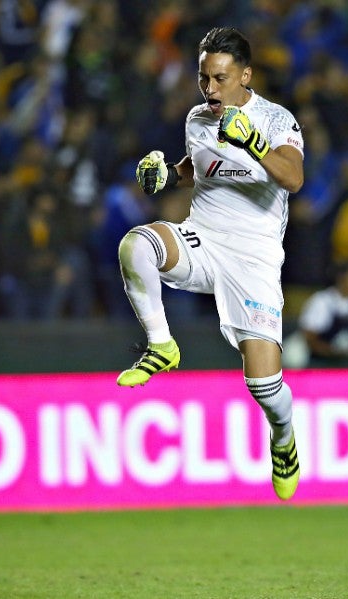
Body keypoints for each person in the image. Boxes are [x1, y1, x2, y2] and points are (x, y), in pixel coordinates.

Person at [116, 27, 305, 501]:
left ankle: (283, 439)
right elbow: (199, 168)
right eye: (204, 79)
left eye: (220, 79)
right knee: (135, 244)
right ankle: (162, 346)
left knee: (264, 386)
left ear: (245, 75)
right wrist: (168, 175)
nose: (211, 90)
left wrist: (255, 144)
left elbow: (294, 178)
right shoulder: (198, 118)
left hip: (255, 257)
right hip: (205, 237)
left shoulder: (276, 119)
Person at [297, 261, 348, 368]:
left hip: (347, 367)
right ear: (342, 278)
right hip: (318, 366)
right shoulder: (322, 301)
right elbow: (309, 339)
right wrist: (334, 352)